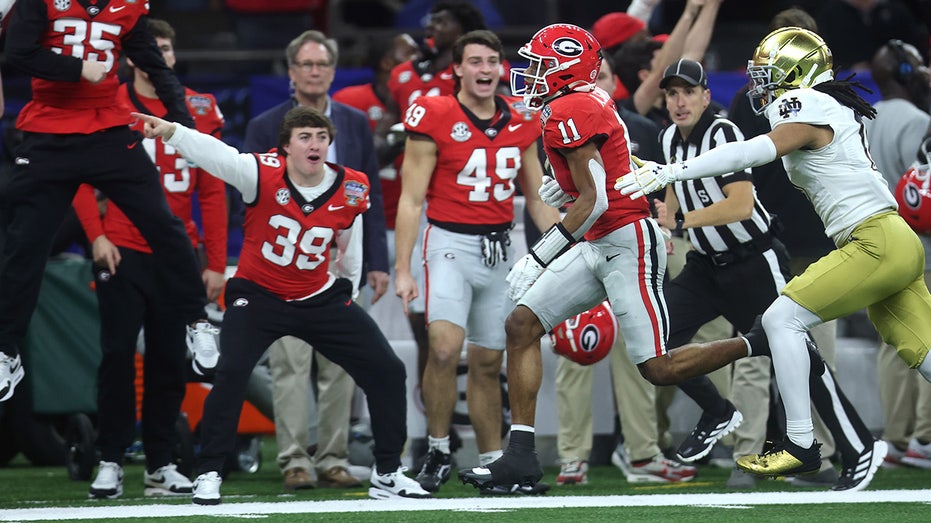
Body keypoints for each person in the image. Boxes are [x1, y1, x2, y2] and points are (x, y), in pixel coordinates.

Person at [458, 23, 772, 493]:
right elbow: (598, 176)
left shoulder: (572, 107)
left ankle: (761, 341)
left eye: (542, 64)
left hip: (627, 240)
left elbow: (596, 199)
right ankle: (520, 457)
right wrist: (564, 186)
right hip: (600, 239)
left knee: (657, 368)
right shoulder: (576, 102)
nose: (531, 73)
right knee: (521, 325)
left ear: (566, 68)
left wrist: (539, 255)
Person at [616, 27, 931, 485]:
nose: (760, 85)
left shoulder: (806, 102)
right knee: (923, 353)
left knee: (780, 320)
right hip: (891, 240)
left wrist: (674, 170)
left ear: (797, 74)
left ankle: (800, 442)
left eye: (768, 75)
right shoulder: (827, 104)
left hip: (874, 241)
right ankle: (804, 441)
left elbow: (755, 150)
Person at [134, 106, 432, 504]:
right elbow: (216, 154)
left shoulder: (351, 186)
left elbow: (349, 245)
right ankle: (208, 472)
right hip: (259, 294)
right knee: (232, 372)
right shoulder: (261, 171)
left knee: (388, 371)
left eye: (321, 137)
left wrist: (345, 288)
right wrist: (173, 132)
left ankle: (389, 472)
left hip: (317, 294)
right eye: (305, 137)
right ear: (286, 147)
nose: (315, 144)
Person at [655, 58, 883, 492]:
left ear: (707, 96)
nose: (679, 101)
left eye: (688, 91)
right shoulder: (668, 138)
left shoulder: (723, 132)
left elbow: (739, 205)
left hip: (753, 261)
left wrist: (681, 222)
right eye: (671, 93)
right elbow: (674, 195)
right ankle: (718, 412)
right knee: (655, 343)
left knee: (797, 356)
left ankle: (852, 446)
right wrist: (667, 223)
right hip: (705, 268)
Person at [0, 0, 217, 403]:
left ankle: (198, 322)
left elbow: (153, 63)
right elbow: (19, 52)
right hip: (50, 129)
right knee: (24, 244)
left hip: (107, 127)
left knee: (163, 225)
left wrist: (185, 125)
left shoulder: (129, 6)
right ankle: (6, 350)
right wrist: (77, 69)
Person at [394, 29, 560, 494]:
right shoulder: (435, 113)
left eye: (492, 60)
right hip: (449, 243)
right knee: (445, 349)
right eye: (476, 61)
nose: (485, 69)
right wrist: (404, 267)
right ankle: (438, 449)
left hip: (502, 248)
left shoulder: (523, 118)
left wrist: (567, 254)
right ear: (458, 69)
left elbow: (538, 199)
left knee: (489, 362)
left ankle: (494, 463)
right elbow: (410, 200)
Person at [67, 18, 226, 500]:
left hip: (177, 252)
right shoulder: (109, 100)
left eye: (167, 50)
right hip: (122, 246)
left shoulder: (197, 107)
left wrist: (216, 260)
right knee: (117, 355)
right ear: (132, 56)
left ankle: (161, 461)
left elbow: (214, 187)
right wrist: (95, 234)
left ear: (173, 58)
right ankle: (111, 458)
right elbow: (74, 171)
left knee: (166, 360)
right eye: (150, 49)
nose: (159, 58)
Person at [243, 30, 385, 491]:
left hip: (339, 265)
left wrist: (375, 263)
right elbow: (249, 196)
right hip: (284, 265)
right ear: (291, 73)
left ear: (333, 70)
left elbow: (372, 198)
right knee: (289, 364)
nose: (314, 71)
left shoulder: (355, 121)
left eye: (321, 64)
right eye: (305, 64)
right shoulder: (266, 126)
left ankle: (334, 457)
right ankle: (293, 460)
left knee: (340, 364)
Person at [554, 56, 697, 486]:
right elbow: (549, 194)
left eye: (601, 76)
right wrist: (556, 250)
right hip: (579, 245)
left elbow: (662, 191)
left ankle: (642, 452)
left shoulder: (643, 127)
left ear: (616, 83)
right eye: (589, 76)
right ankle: (571, 457)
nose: (594, 83)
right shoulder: (560, 122)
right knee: (573, 351)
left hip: (629, 246)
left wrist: (662, 227)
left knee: (637, 349)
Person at [725, 7, 843, 489]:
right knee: (762, 352)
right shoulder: (751, 102)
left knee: (787, 353)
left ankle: (811, 452)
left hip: (806, 242)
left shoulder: (831, 103)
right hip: (775, 243)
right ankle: (763, 452)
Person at [865, 39, 931, 468]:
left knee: (892, 339)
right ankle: (925, 436)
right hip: (919, 240)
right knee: (927, 331)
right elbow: (920, 191)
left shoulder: (863, 117)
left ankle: (895, 435)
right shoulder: (917, 119)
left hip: (874, 238)